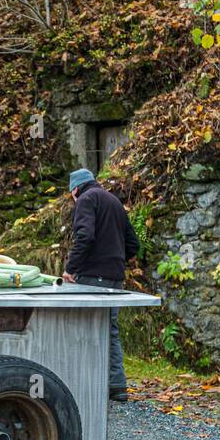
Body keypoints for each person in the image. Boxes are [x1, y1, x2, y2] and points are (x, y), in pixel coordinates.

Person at [62, 168, 139, 402]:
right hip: (114, 277)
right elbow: (133, 244)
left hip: (91, 276)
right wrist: (114, 260)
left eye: (71, 194)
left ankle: (85, 385)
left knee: (84, 328)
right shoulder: (114, 201)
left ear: (75, 189)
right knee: (109, 330)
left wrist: (70, 268)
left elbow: (85, 237)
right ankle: (116, 385)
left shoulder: (86, 200)